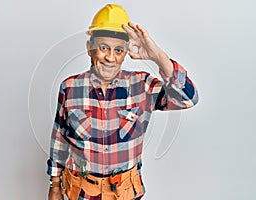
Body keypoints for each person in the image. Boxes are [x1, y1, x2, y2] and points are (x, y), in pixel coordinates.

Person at [47, 4, 198, 200]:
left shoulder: (142, 85)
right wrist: (55, 186)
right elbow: (59, 140)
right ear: (89, 48)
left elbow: (188, 98)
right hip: (81, 192)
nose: (110, 57)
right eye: (103, 48)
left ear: (126, 52)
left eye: (118, 50)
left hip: (124, 193)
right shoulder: (69, 87)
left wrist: (156, 56)